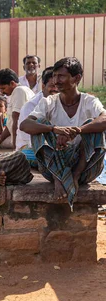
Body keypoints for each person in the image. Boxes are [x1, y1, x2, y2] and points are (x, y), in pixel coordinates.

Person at [20, 57, 106, 208]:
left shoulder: (89, 101)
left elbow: (104, 119)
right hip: (51, 168)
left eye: (61, 76)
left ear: (76, 78)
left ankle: (74, 175)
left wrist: (78, 130)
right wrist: (53, 129)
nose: (55, 80)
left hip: (85, 169)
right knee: (40, 124)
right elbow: (24, 125)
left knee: (92, 125)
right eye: (54, 75)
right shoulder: (48, 102)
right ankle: (58, 178)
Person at [17, 67, 58, 167]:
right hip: (29, 148)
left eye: (59, 86)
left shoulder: (60, 102)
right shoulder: (30, 106)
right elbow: (29, 139)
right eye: (52, 86)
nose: (56, 89)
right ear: (43, 86)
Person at [0, 68, 34, 150]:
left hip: (24, 141)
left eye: (3, 88)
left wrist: (15, 147)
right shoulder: (17, 92)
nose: (2, 92)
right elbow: (10, 125)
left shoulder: (19, 91)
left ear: (12, 83)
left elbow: (16, 120)